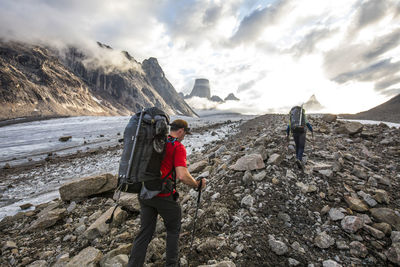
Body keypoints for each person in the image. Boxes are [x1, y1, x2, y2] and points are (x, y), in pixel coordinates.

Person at [128, 119, 206, 267]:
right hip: (163, 195)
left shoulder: (155, 142)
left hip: (145, 193)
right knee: (173, 230)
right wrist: (197, 184)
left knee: (144, 233)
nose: (184, 137)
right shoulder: (177, 147)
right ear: (181, 131)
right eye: (185, 134)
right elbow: (182, 175)